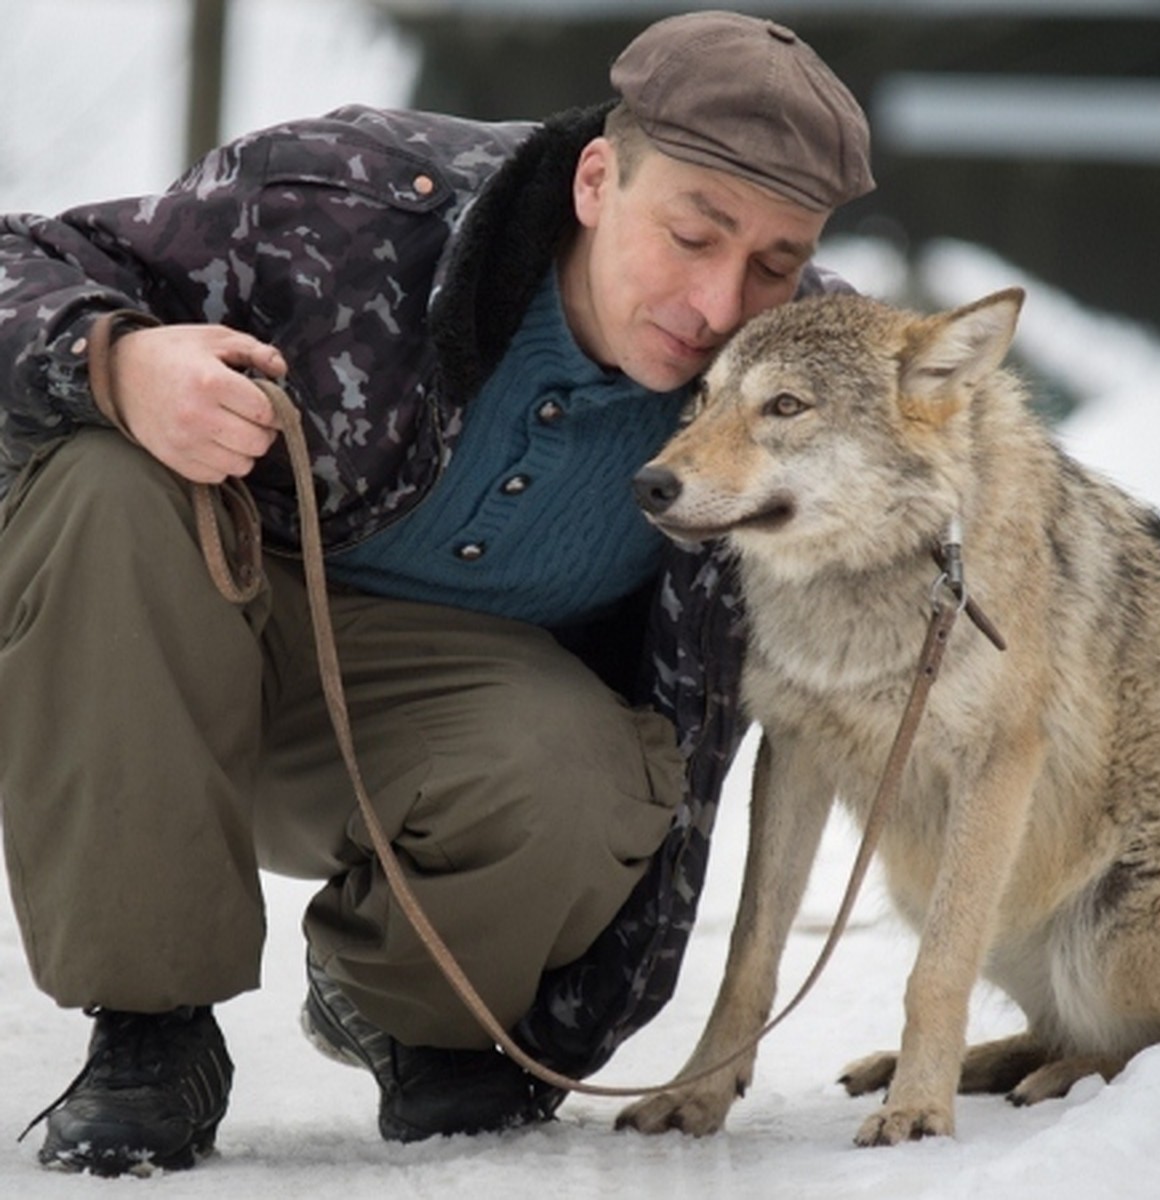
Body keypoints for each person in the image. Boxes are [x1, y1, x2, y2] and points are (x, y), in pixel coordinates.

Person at [0, 9, 873, 1177]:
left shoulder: (807, 384)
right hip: (167, 638)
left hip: (437, 717)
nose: (721, 304)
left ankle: (409, 1007)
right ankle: (149, 1036)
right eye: (693, 235)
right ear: (598, 180)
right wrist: (115, 360)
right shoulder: (342, 203)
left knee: (580, 761)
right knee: (105, 478)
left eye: (773, 264)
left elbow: (983, 514)